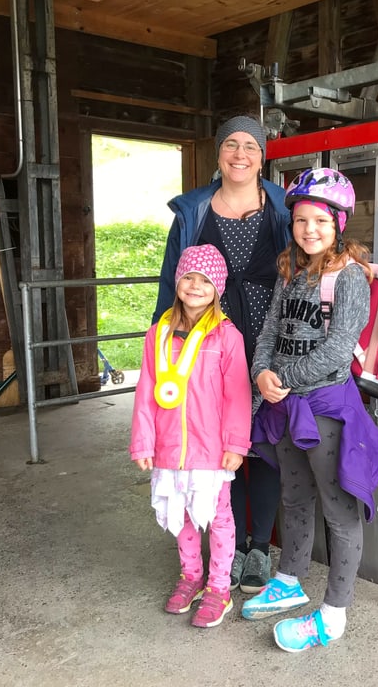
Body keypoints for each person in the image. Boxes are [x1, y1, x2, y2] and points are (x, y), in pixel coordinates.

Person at [240, 168, 378, 652]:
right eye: (301, 220)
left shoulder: (348, 277)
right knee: (294, 496)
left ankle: (334, 613)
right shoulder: (291, 270)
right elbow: (269, 330)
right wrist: (260, 372)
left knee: (338, 508)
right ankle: (290, 579)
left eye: (321, 222)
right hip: (284, 405)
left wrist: (280, 381)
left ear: (339, 225)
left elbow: (337, 350)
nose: (309, 230)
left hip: (325, 408)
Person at [152, 115, 290, 594]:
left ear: (262, 156)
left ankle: (256, 548)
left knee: (264, 438)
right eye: (230, 144)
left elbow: (314, 256)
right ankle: (222, 547)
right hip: (209, 337)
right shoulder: (192, 211)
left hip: (270, 332)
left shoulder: (281, 205)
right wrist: (163, 341)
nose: (240, 154)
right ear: (218, 154)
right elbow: (173, 278)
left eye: (250, 146)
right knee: (217, 439)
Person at [130, 244, 251, 628]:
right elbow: (146, 390)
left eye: (205, 280)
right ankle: (190, 577)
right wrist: (143, 441)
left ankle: (219, 587)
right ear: (177, 281)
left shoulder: (227, 337)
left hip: (211, 450)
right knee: (179, 515)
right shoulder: (157, 334)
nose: (195, 286)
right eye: (188, 277)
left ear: (218, 287)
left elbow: (237, 396)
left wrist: (235, 444)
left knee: (219, 518)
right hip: (168, 447)